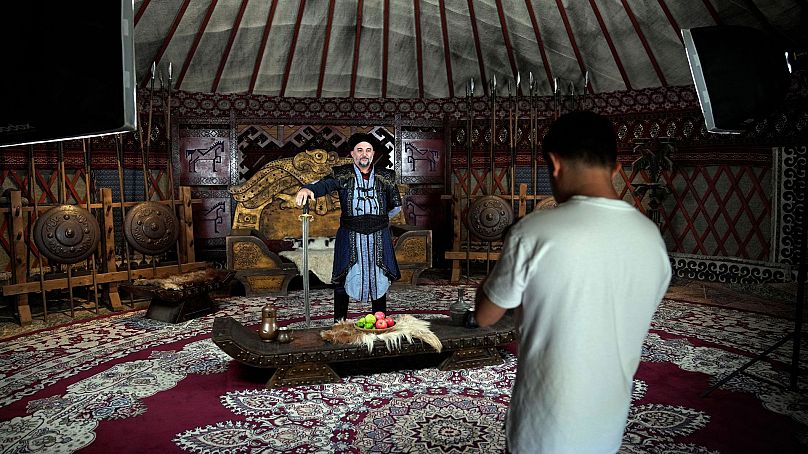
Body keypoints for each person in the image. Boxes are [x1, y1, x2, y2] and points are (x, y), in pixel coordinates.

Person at [473, 111, 672, 453]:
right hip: (606, 428)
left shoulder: (533, 231)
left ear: (554, 164)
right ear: (615, 168)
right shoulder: (652, 239)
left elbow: (486, 315)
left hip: (540, 429)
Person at [295, 133, 401, 323]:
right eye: (359, 150)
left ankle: (380, 321)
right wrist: (307, 189)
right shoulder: (341, 174)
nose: (364, 154)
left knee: (380, 275)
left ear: (373, 153)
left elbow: (395, 206)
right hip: (349, 233)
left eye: (368, 150)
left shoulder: (387, 176)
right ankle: (339, 322)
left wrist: (378, 220)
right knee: (343, 276)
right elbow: (323, 185)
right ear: (352, 154)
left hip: (379, 234)